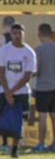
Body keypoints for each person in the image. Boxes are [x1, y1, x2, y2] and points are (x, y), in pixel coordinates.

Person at [0, 22, 36, 159]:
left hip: (21, 92)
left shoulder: (29, 52)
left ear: (23, 35)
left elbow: (27, 76)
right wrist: (7, 91)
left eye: (19, 33)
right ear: (11, 34)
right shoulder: (4, 50)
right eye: (14, 33)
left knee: (19, 121)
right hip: (4, 90)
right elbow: (0, 72)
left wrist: (12, 91)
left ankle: (14, 151)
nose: (17, 36)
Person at [30, 23, 55, 151]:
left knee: (43, 116)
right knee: (54, 115)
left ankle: (41, 142)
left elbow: (36, 70)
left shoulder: (38, 50)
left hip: (42, 87)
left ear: (40, 35)